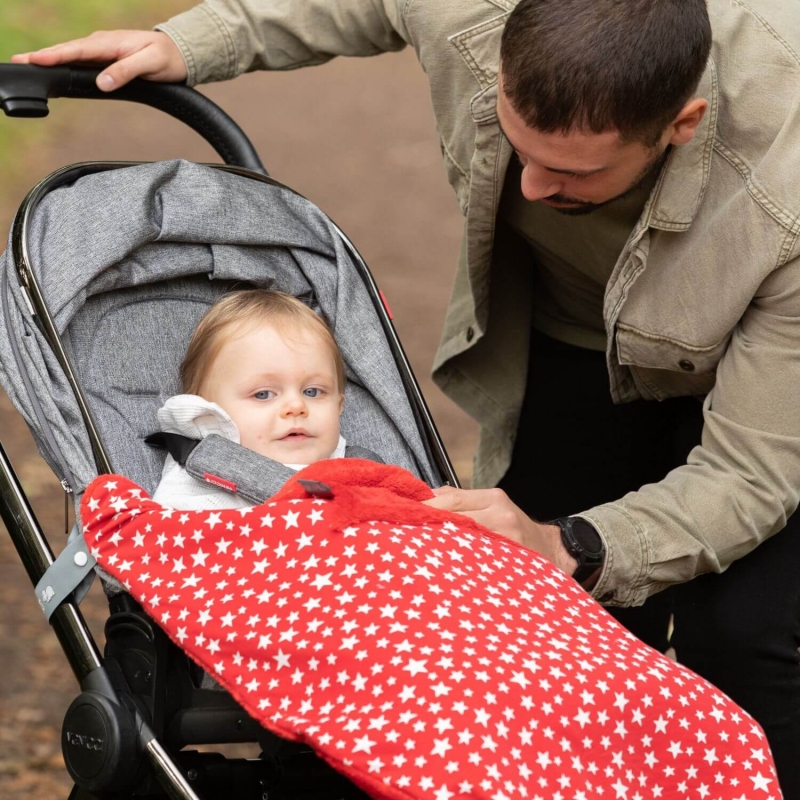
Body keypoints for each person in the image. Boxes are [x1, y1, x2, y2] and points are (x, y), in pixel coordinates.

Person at [14, 0, 800, 789]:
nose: (527, 186)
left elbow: (752, 475)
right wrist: (185, 43)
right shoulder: (477, 16)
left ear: (682, 123)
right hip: (578, 333)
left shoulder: (784, 197)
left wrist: (575, 544)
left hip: (766, 358)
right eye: (517, 144)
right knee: (546, 649)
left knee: (749, 637)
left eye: (570, 172)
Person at [151, 288, 347, 510]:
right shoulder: (198, 486)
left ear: (339, 405)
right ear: (210, 413)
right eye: (263, 394)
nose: (296, 406)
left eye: (312, 392)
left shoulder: (359, 468)